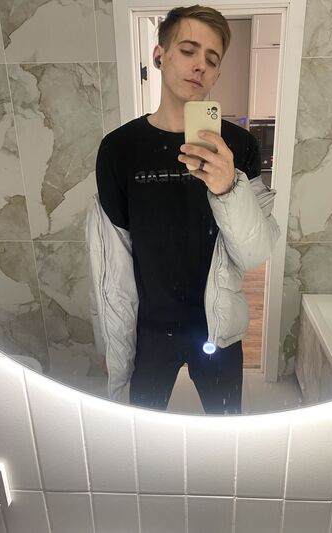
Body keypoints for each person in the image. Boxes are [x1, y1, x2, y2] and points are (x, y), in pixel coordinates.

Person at [87, 5, 280, 414]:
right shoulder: (119, 149)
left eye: (212, 58)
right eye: (188, 50)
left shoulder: (239, 146)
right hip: (150, 331)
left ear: (217, 74)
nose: (200, 66)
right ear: (160, 56)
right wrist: (113, 341)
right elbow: (112, 258)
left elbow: (255, 253)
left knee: (225, 431)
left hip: (217, 327)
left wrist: (228, 188)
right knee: (140, 434)